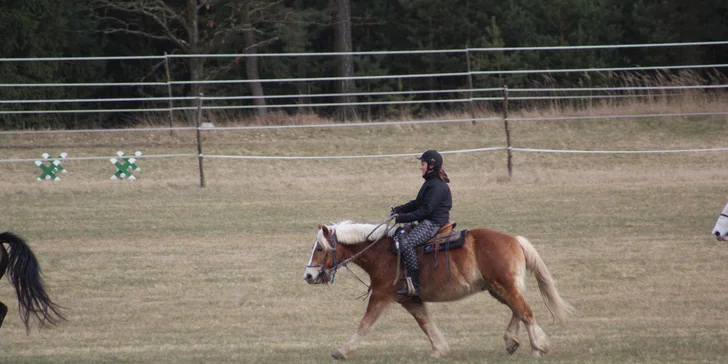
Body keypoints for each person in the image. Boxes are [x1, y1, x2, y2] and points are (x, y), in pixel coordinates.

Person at [390, 150, 452, 296]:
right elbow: (417, 203)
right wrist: (398, 209)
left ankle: (415, 285)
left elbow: (425, 211)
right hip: (428, 220)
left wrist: (402, 218)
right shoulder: (430, 183)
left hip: (433, 223)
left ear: (431, 166)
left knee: (407, 244)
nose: (421, 167)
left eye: (423, 164)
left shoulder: (436, 185)